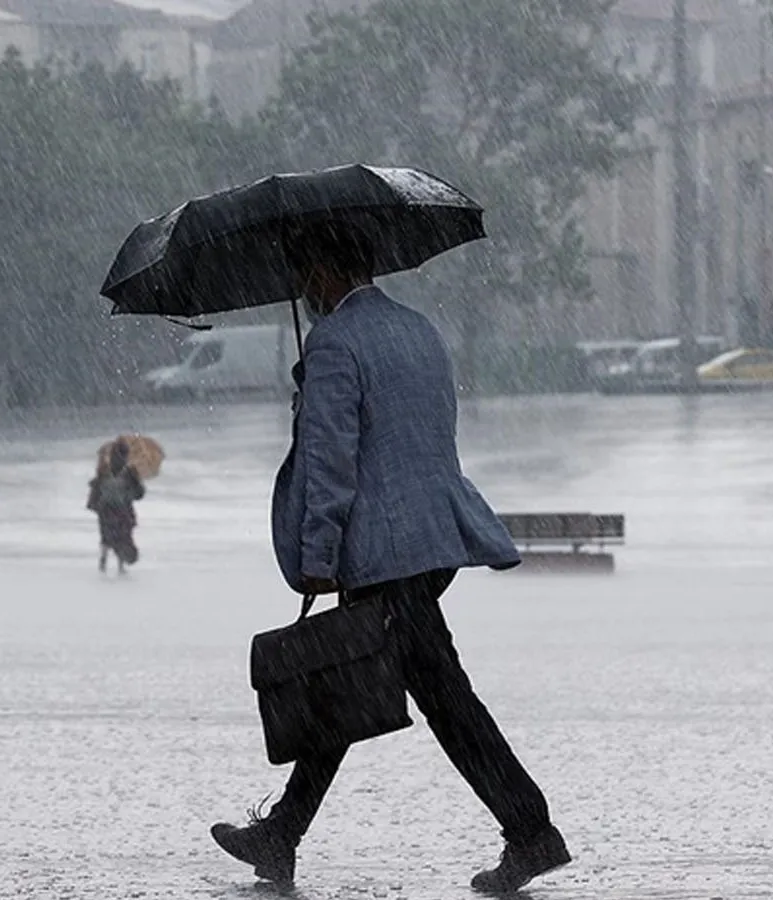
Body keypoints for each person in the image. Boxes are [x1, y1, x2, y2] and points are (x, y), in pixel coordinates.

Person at [209, 221, 568, 895]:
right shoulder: (419, 330)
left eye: (303, 273)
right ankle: (282, 833)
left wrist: (318, 554)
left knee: (439, 698)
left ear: (324, 269)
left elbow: (331, 462)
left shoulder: (336, 342)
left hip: (382, 553)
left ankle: (531, 832)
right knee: (346, 681)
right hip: (431, 541)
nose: (301, 288)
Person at [86, 439, 145, 574]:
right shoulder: (126, 472)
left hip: (110, 510)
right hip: (119, 510)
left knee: (109, 537)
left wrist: (96, 505)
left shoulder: (106, 470)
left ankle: (106, 562)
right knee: (120, 537)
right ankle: (117, 565)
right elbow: (139, 494)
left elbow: (96, 490)